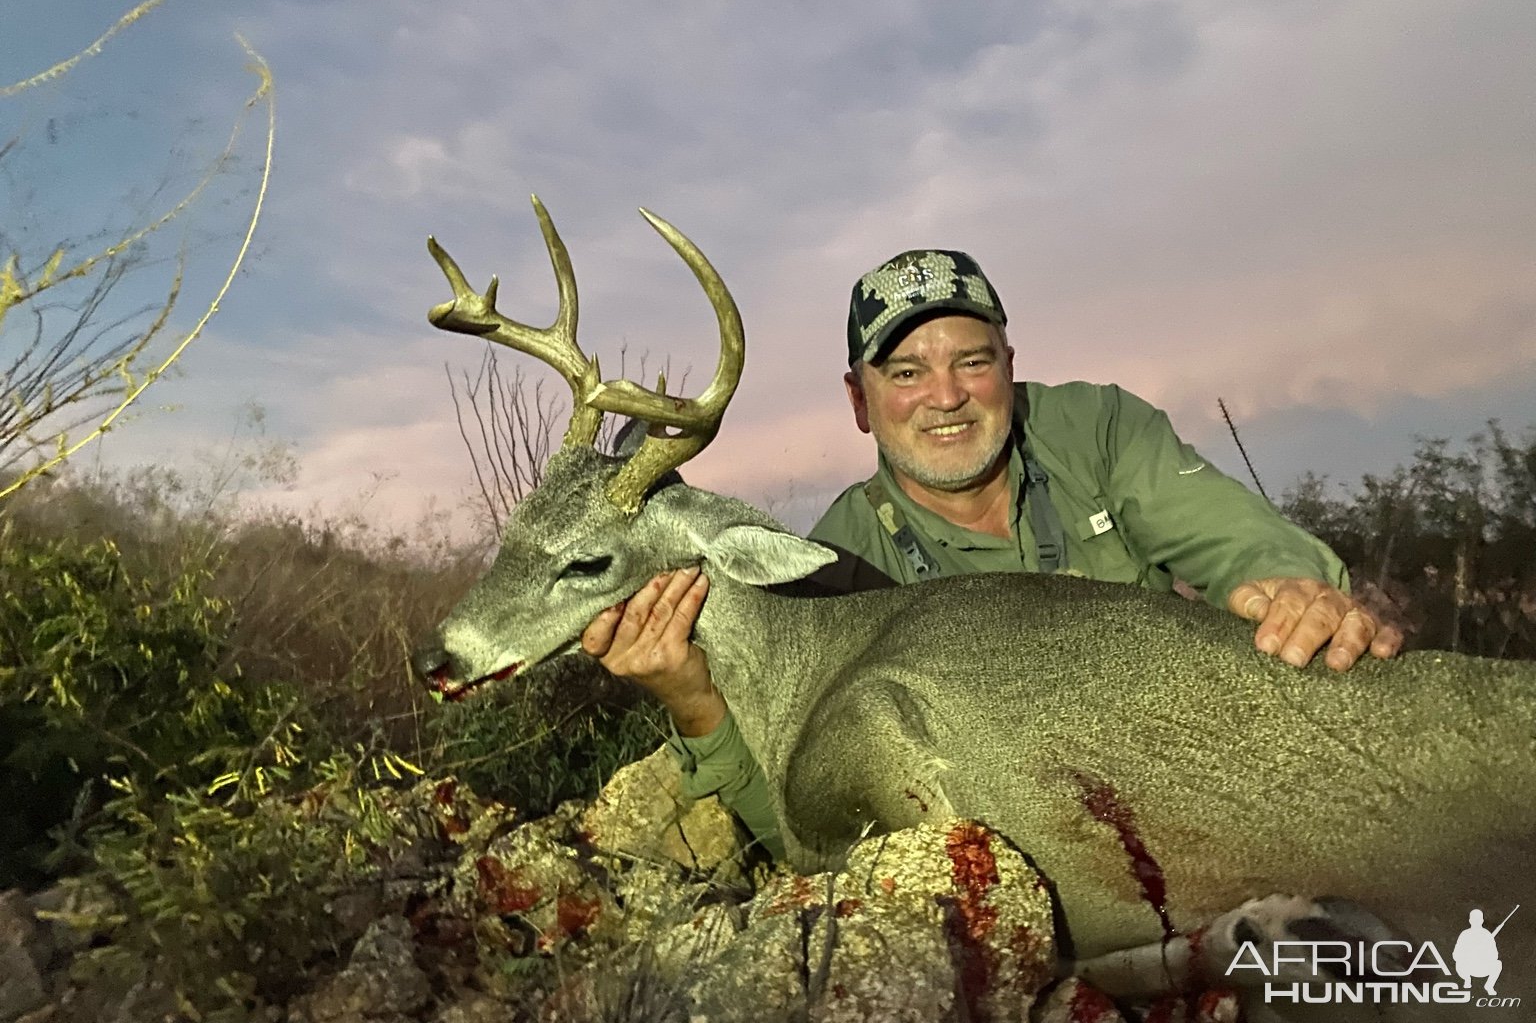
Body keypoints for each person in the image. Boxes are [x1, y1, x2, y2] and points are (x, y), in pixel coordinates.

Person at [580, 249, 1404, 857]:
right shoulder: (832, 567)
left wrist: (1292, 591)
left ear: (1010, 367)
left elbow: (1237, 540)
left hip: (1205, 770)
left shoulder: (1096, 430)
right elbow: (808, 827)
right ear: (858, 402)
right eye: (905, 372)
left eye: (972, 361)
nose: (945, 396)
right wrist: (692, 698)